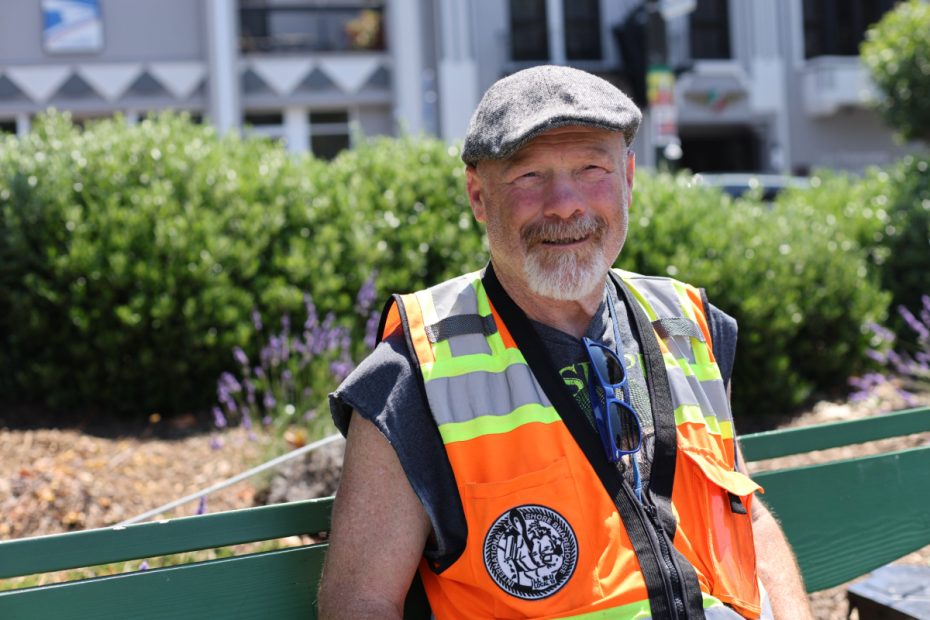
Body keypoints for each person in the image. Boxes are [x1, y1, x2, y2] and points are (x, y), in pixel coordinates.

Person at [318, 65, 812, 620]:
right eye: (528, 176)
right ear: (478, 195)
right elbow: (360, 603)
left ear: (627, 177)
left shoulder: (685, 324)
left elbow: (751, 525)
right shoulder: (415, 368)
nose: (564, 204)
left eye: (591, 168)